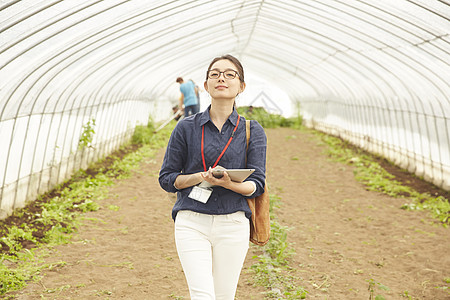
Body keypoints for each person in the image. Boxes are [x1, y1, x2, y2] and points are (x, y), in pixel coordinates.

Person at [159, 54, 267, 299]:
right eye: (215, 73)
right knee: (202, 295)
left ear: (241, 86)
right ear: (205, 86)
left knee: (224, 295)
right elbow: (167, 178)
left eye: (230, 74)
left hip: (233, 223)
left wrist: (229, 183)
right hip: (191, 221)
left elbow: (257, 184)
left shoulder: (252, 130)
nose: (222, 78)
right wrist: (199, 177)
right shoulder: (186, 127)